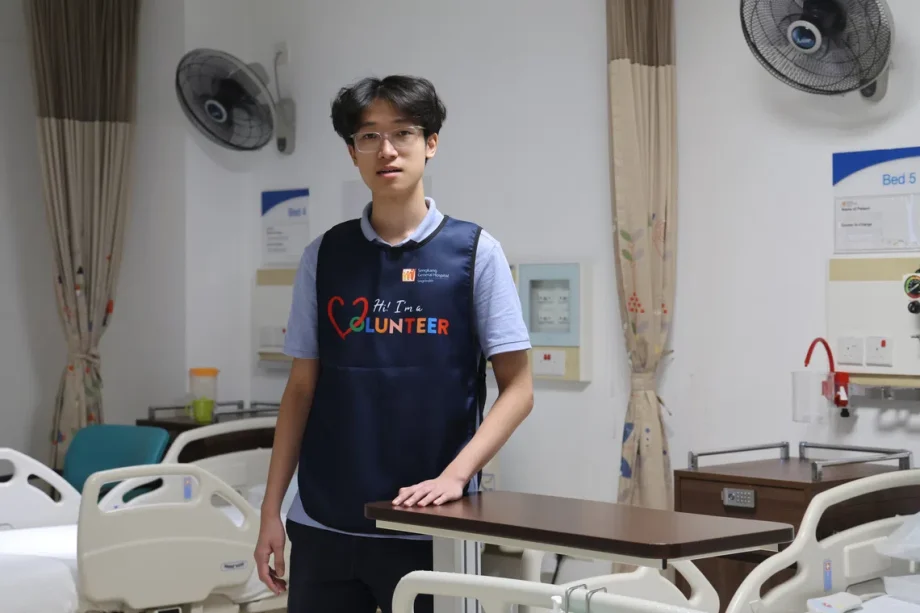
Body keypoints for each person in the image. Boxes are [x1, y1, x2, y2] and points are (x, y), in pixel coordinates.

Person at [253, 74, 534, 613]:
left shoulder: (475, 253)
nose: (386, 150)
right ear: (352, 152)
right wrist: (271, 510)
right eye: (368, 136)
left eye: (403, 133)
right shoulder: (324, 256)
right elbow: (301, 390)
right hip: (325, 522)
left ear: (431, 143)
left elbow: (519, 390)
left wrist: (455, 477)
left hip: (434, 524)